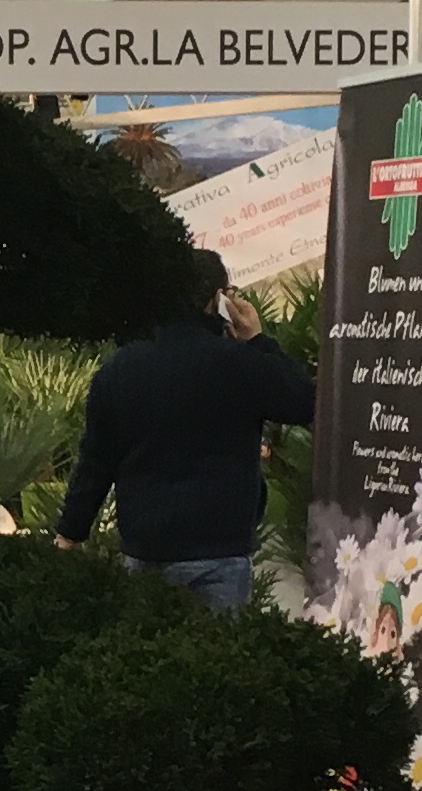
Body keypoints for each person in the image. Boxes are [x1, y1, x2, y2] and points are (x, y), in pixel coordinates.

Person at [55, 249, 315, 613]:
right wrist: (258, 340)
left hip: (145, 551)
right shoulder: (240, 365)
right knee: (217, 647)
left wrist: (70, 533)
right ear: (218, 300)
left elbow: (96, 463)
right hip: (218, 553)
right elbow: (304, 403)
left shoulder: (120, 369)